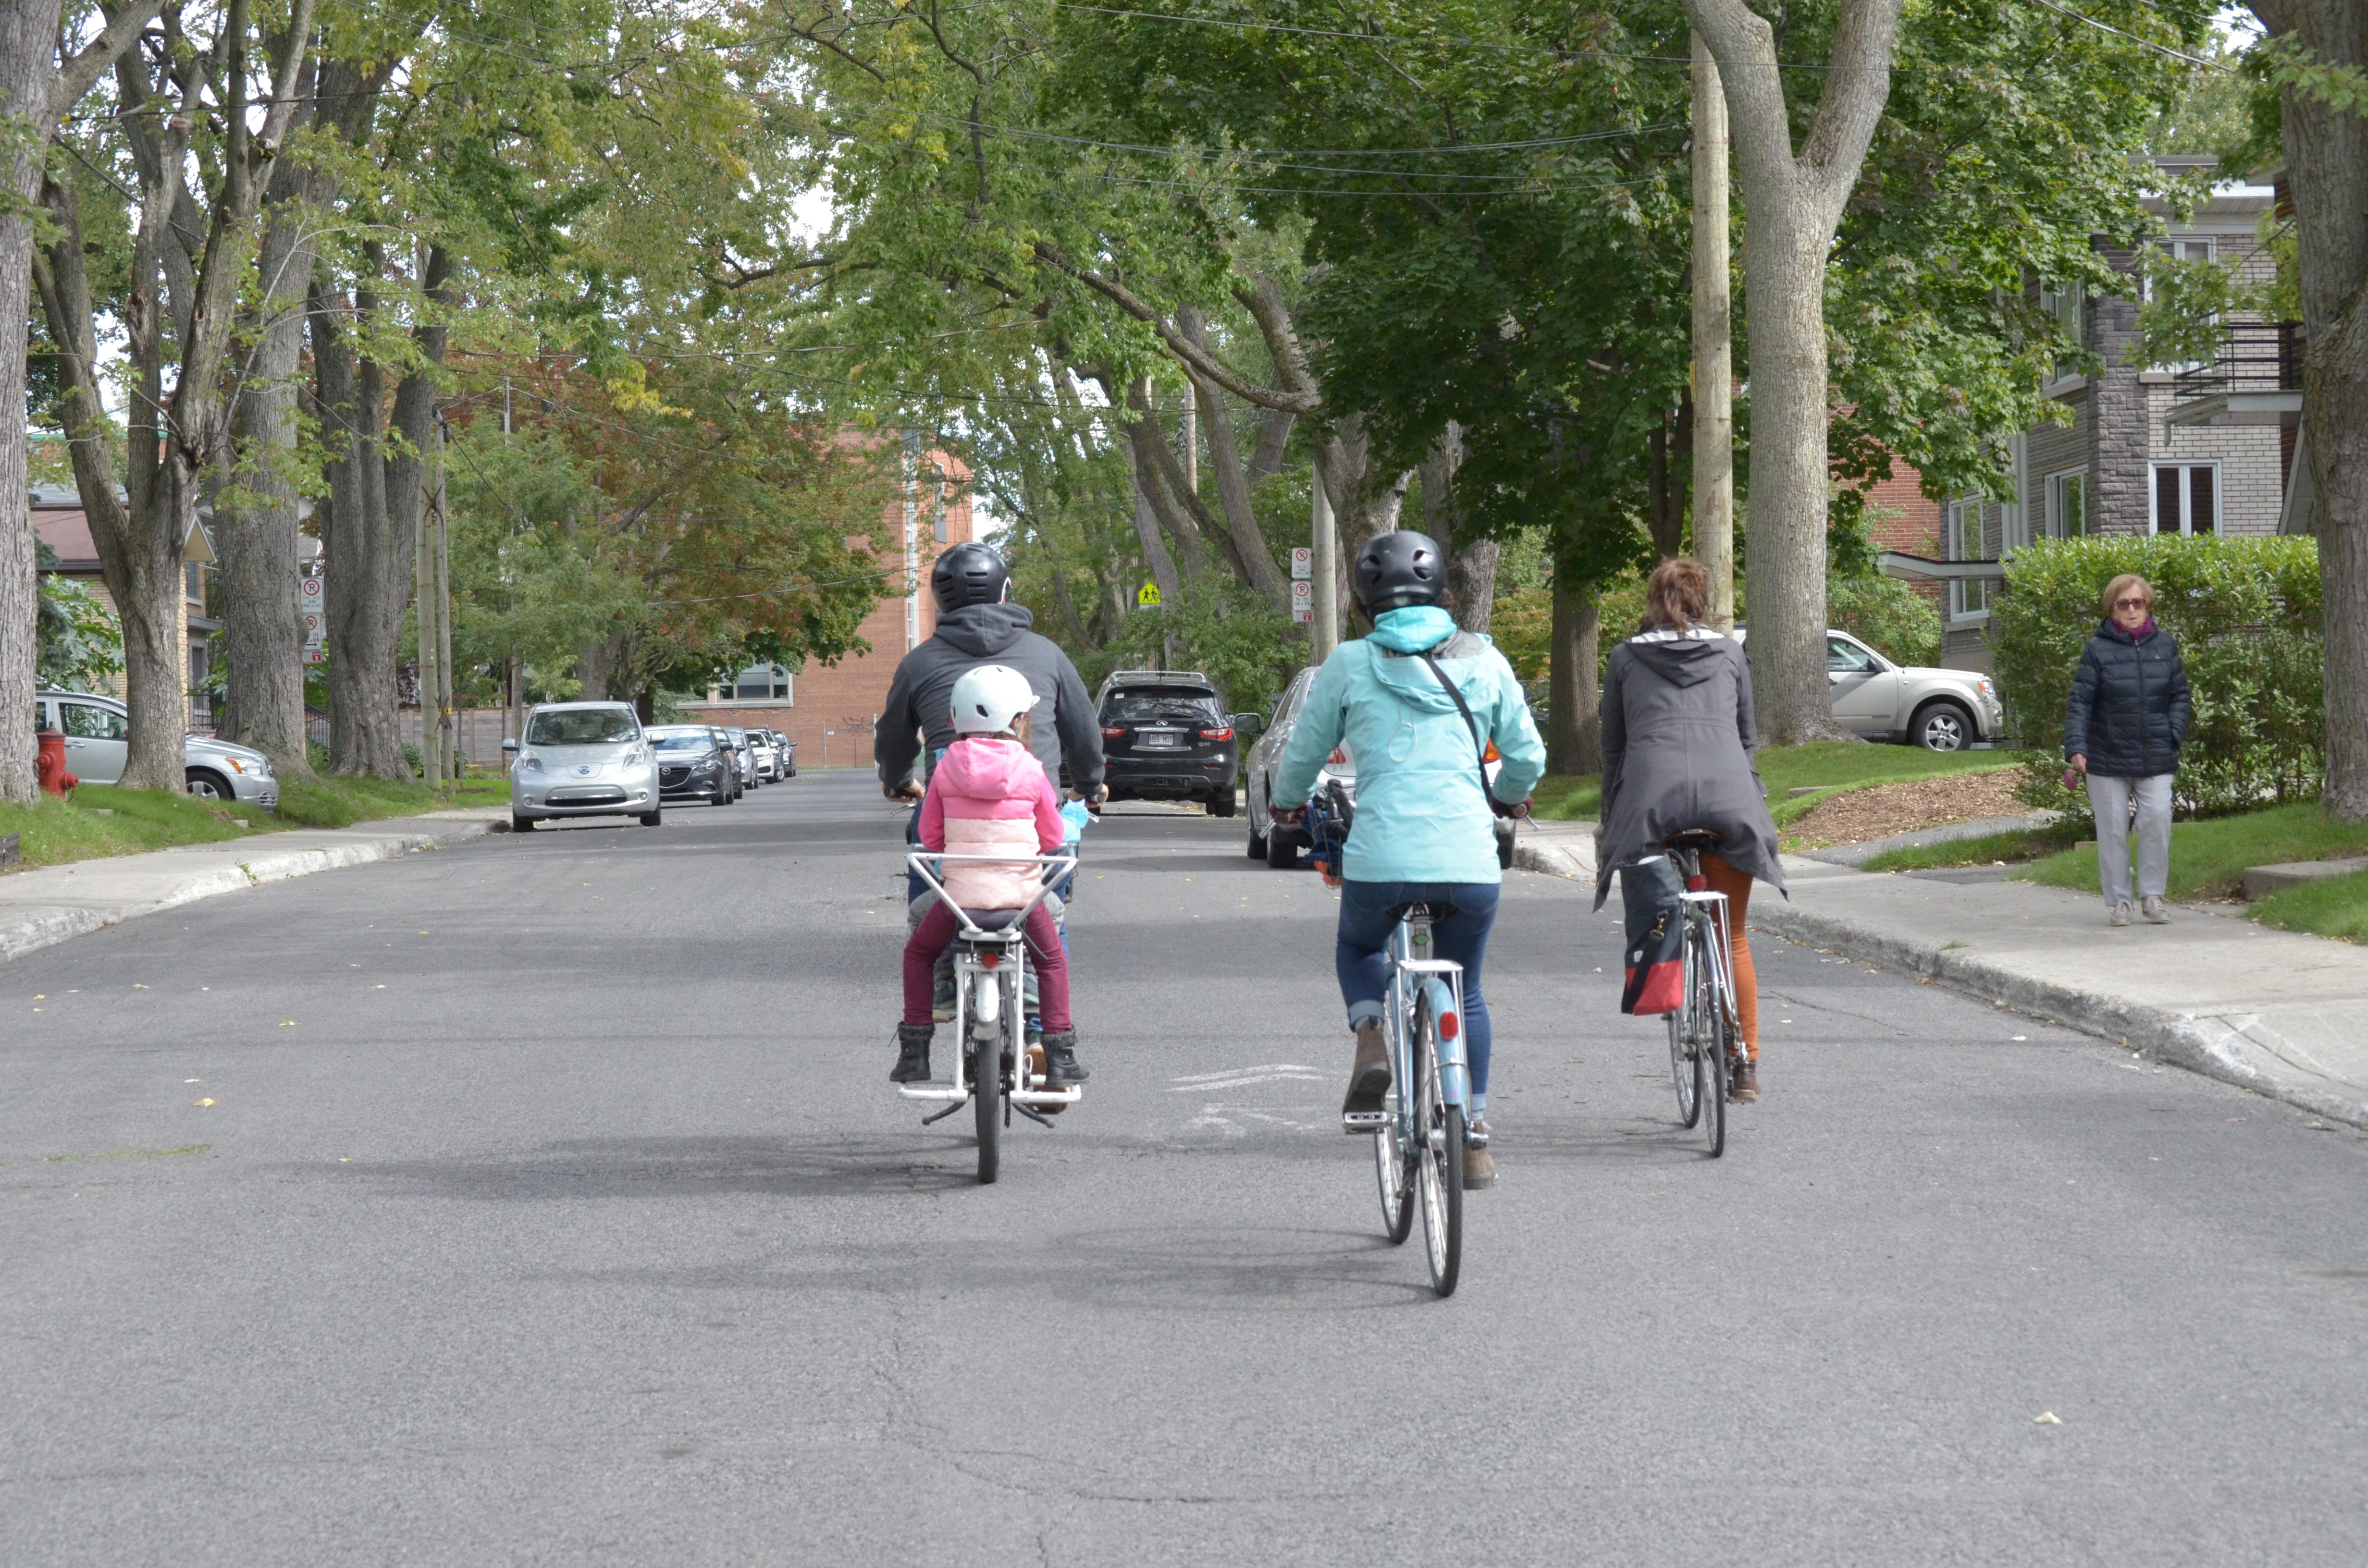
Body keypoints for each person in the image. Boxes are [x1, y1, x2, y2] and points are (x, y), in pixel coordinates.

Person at [1270, 531, 1545, 1189]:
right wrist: (1507, 800)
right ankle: (1474, 1134)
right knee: (1467, 989)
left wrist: (1286, 803)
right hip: (1469, 864)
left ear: (1365, 599)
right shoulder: (1484, 660)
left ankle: (1370, 1032)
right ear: (1441, 587)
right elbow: (1528, 756)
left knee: (1359, 948)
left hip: (1382, 860)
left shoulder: (1348, 663)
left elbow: (1305, 753)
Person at [876, 541, 1107, 1018]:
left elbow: (893, 739)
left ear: (940, 601)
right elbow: (1082, 731)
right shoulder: (1047, 655)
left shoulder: (919, 662)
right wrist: (1088, 785)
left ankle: (939, 983)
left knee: (928, 854)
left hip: (948, 800)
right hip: (1030, 807)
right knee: (1049, 891)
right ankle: (1045, 1027)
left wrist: (899, 779)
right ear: (1006, 592)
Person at [1592, 558, 1786, 1102]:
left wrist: (1613, 818)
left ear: (1653, 601)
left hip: (1652, 798)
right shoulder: (1729, 652)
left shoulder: (1625, 658)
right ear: (1703, 601)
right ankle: (1745, 1062)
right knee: (1735, 936)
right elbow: (1746, 737)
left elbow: (1613, 747)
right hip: (1728, 800)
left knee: (1658, 911)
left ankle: (1668, 985)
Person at [893, 665, 1087, 1086]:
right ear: (1016, 720)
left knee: (918, 948)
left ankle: (916, 1050)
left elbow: (930, 836)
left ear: (956, 717)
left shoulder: (945, 770)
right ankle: (1059, 1054)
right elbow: (1052, 835)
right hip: (1022, 902)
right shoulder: (1032, 769)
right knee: (1052, 958)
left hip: (959, 905)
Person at [2065, 573, 2190, 927]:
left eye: (2138, 603)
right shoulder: (2097, 651)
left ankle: (2153, 896)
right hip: (2106, 755)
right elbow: (2080, 702)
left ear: (2147, 606)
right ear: (2112, 609)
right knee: (2114, 829)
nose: (2132, 610)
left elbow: (2180, 695)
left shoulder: (2164, 646)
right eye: (2124, 604)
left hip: (2156, 752)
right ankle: (2120, 902)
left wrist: (2173, 733)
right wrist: (2076, 746)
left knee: (2156, 820)